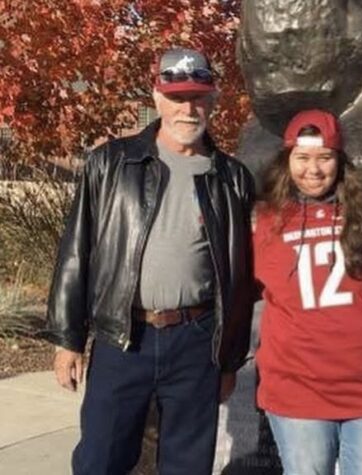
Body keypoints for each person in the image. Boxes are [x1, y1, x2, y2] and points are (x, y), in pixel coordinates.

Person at [46, 47, 255, 474]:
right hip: (123, 339)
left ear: (213, 100)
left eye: (198, 97)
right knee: (100, 460)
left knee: (188, 464)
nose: (187, 109)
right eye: (177, 98)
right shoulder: (111, 163)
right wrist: (68, 338)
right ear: (157, 99)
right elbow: (76, 251)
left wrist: (229, 357)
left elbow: (240, 277)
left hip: (197, 343)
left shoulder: (232, 179)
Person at [253, 109, 362, 474]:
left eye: (324, 158)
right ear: (287, 160)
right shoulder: (265, 221)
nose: (313, 170)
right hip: (297, 390)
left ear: (340, 160)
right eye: (302, 158)